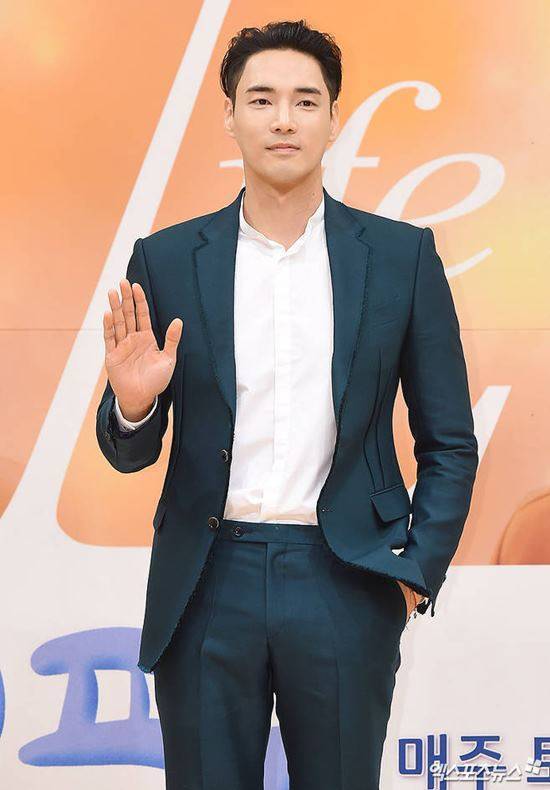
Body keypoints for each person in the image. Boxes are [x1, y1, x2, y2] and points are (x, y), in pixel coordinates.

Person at [96, 19, 478, 790]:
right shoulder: (166, 259)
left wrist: (413, 570)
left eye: (306, 101)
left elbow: (449, 441)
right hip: (207, 580)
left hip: (345, 579)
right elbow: (130, 451)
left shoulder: (400, 258)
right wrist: (133, 407)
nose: (283, 120)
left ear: (334, 120)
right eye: (261, 99)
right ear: (230, 116)